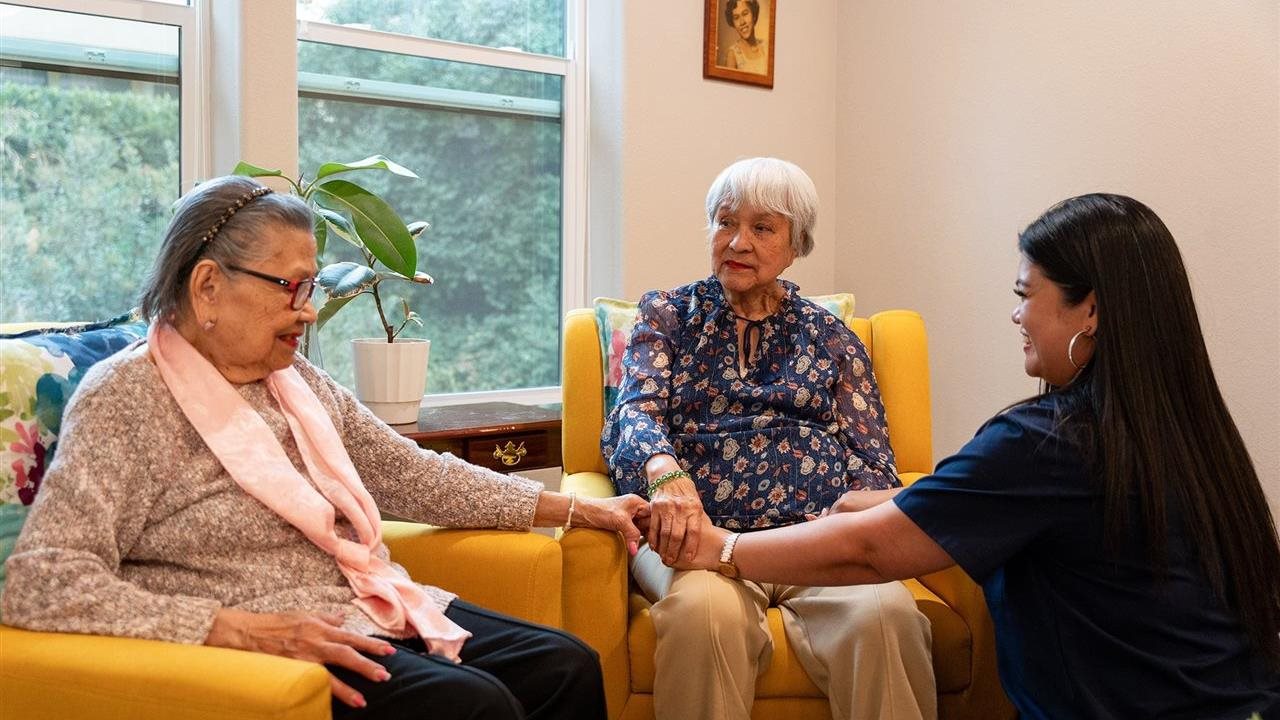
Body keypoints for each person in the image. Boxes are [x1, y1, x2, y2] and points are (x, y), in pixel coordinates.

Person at [2, 175, 649, 720]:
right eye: (291, 287)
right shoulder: (126, 397)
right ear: (207, 287)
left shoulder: (296, 381)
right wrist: (235, 628)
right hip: (254, 642)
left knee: (566, 666)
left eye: (310, 287)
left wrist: (581, 509)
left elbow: (413, 476)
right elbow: (44, 579)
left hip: (362, 603)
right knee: (475, 708)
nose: (309, 311)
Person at [672, 193, 1280, 719]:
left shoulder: (1044, 443)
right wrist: (899, 501)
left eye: (1026, 294)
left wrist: (722, 548)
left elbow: (871, 550)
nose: (1017, 314)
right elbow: (1023, 504)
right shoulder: (1185, 432)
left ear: (1090, 311)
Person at [601, 157, 936, 720]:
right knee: (705, 616)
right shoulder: (668, 316)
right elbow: (635, 411)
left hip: (816, 542)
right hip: (699, 541)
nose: (738, 242)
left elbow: (873, 462)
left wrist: (846, 524)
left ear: (795, 243)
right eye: (726, 222)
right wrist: (663, 468)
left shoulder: (831, 337)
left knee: (886, 616)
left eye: (762, 227)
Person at [722, 0, 768, 74]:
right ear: (733, 23)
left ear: (754, 15)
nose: (742, 22)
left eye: (745, 14)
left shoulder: (766, 46)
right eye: (736, 18)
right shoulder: (733, 55)